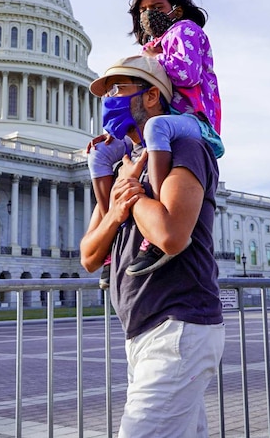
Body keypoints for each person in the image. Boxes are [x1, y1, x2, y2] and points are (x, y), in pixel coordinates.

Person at [80, 54, 225, 438]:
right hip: (143, 332)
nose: (110, 97)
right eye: (107, 90)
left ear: (151, 97)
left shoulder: (186, 149)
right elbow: (90, 256)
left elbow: (171, 236)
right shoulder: (124, 166)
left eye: (120, 88)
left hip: (177, 327)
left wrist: (131, 193)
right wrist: (115, 207)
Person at [87, 0, 222, 283]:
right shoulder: (152, 47)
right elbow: (85, 260)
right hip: (165, 126)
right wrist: (116, 132)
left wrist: (153, 57)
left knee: (156, 126)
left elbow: (185, 74)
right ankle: (112, 232)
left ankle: (162, 209)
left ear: (178, 9)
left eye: (156, 7)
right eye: (143, 10)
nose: (148, 15)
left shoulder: (185, 31)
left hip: (194, 120)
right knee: (98, 154)